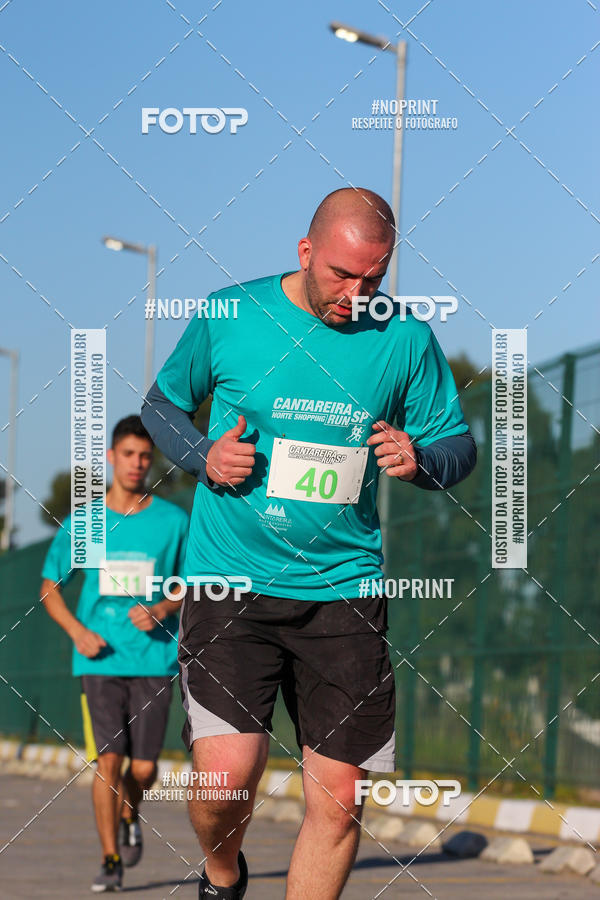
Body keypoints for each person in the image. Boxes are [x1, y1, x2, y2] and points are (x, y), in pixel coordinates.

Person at [141, 188, 477, 899]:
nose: (356, 295)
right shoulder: (230, 314)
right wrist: (204, 455)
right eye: (341, 276)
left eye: (374, 279)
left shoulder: (405, 338)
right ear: (304, 252)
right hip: (231, 580)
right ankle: (225, 872)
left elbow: (458, 444)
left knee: (339, 799)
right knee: (225, 783)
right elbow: (161, 404)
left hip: (344, 591)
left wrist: (422, 461)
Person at [40, 415, 189, 892]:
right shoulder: (85, 522)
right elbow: (49, 589)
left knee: (142, 768)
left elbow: (193, 582)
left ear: (152, 461)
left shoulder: (172, 521)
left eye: (145, 456)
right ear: (111, 457)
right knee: (109, 763)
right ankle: (110, 858)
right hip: (99, 660)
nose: (137, 464)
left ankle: (131, 813)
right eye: (128, 454)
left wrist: (164, 605)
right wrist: (77, 633)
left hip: (154, 658)